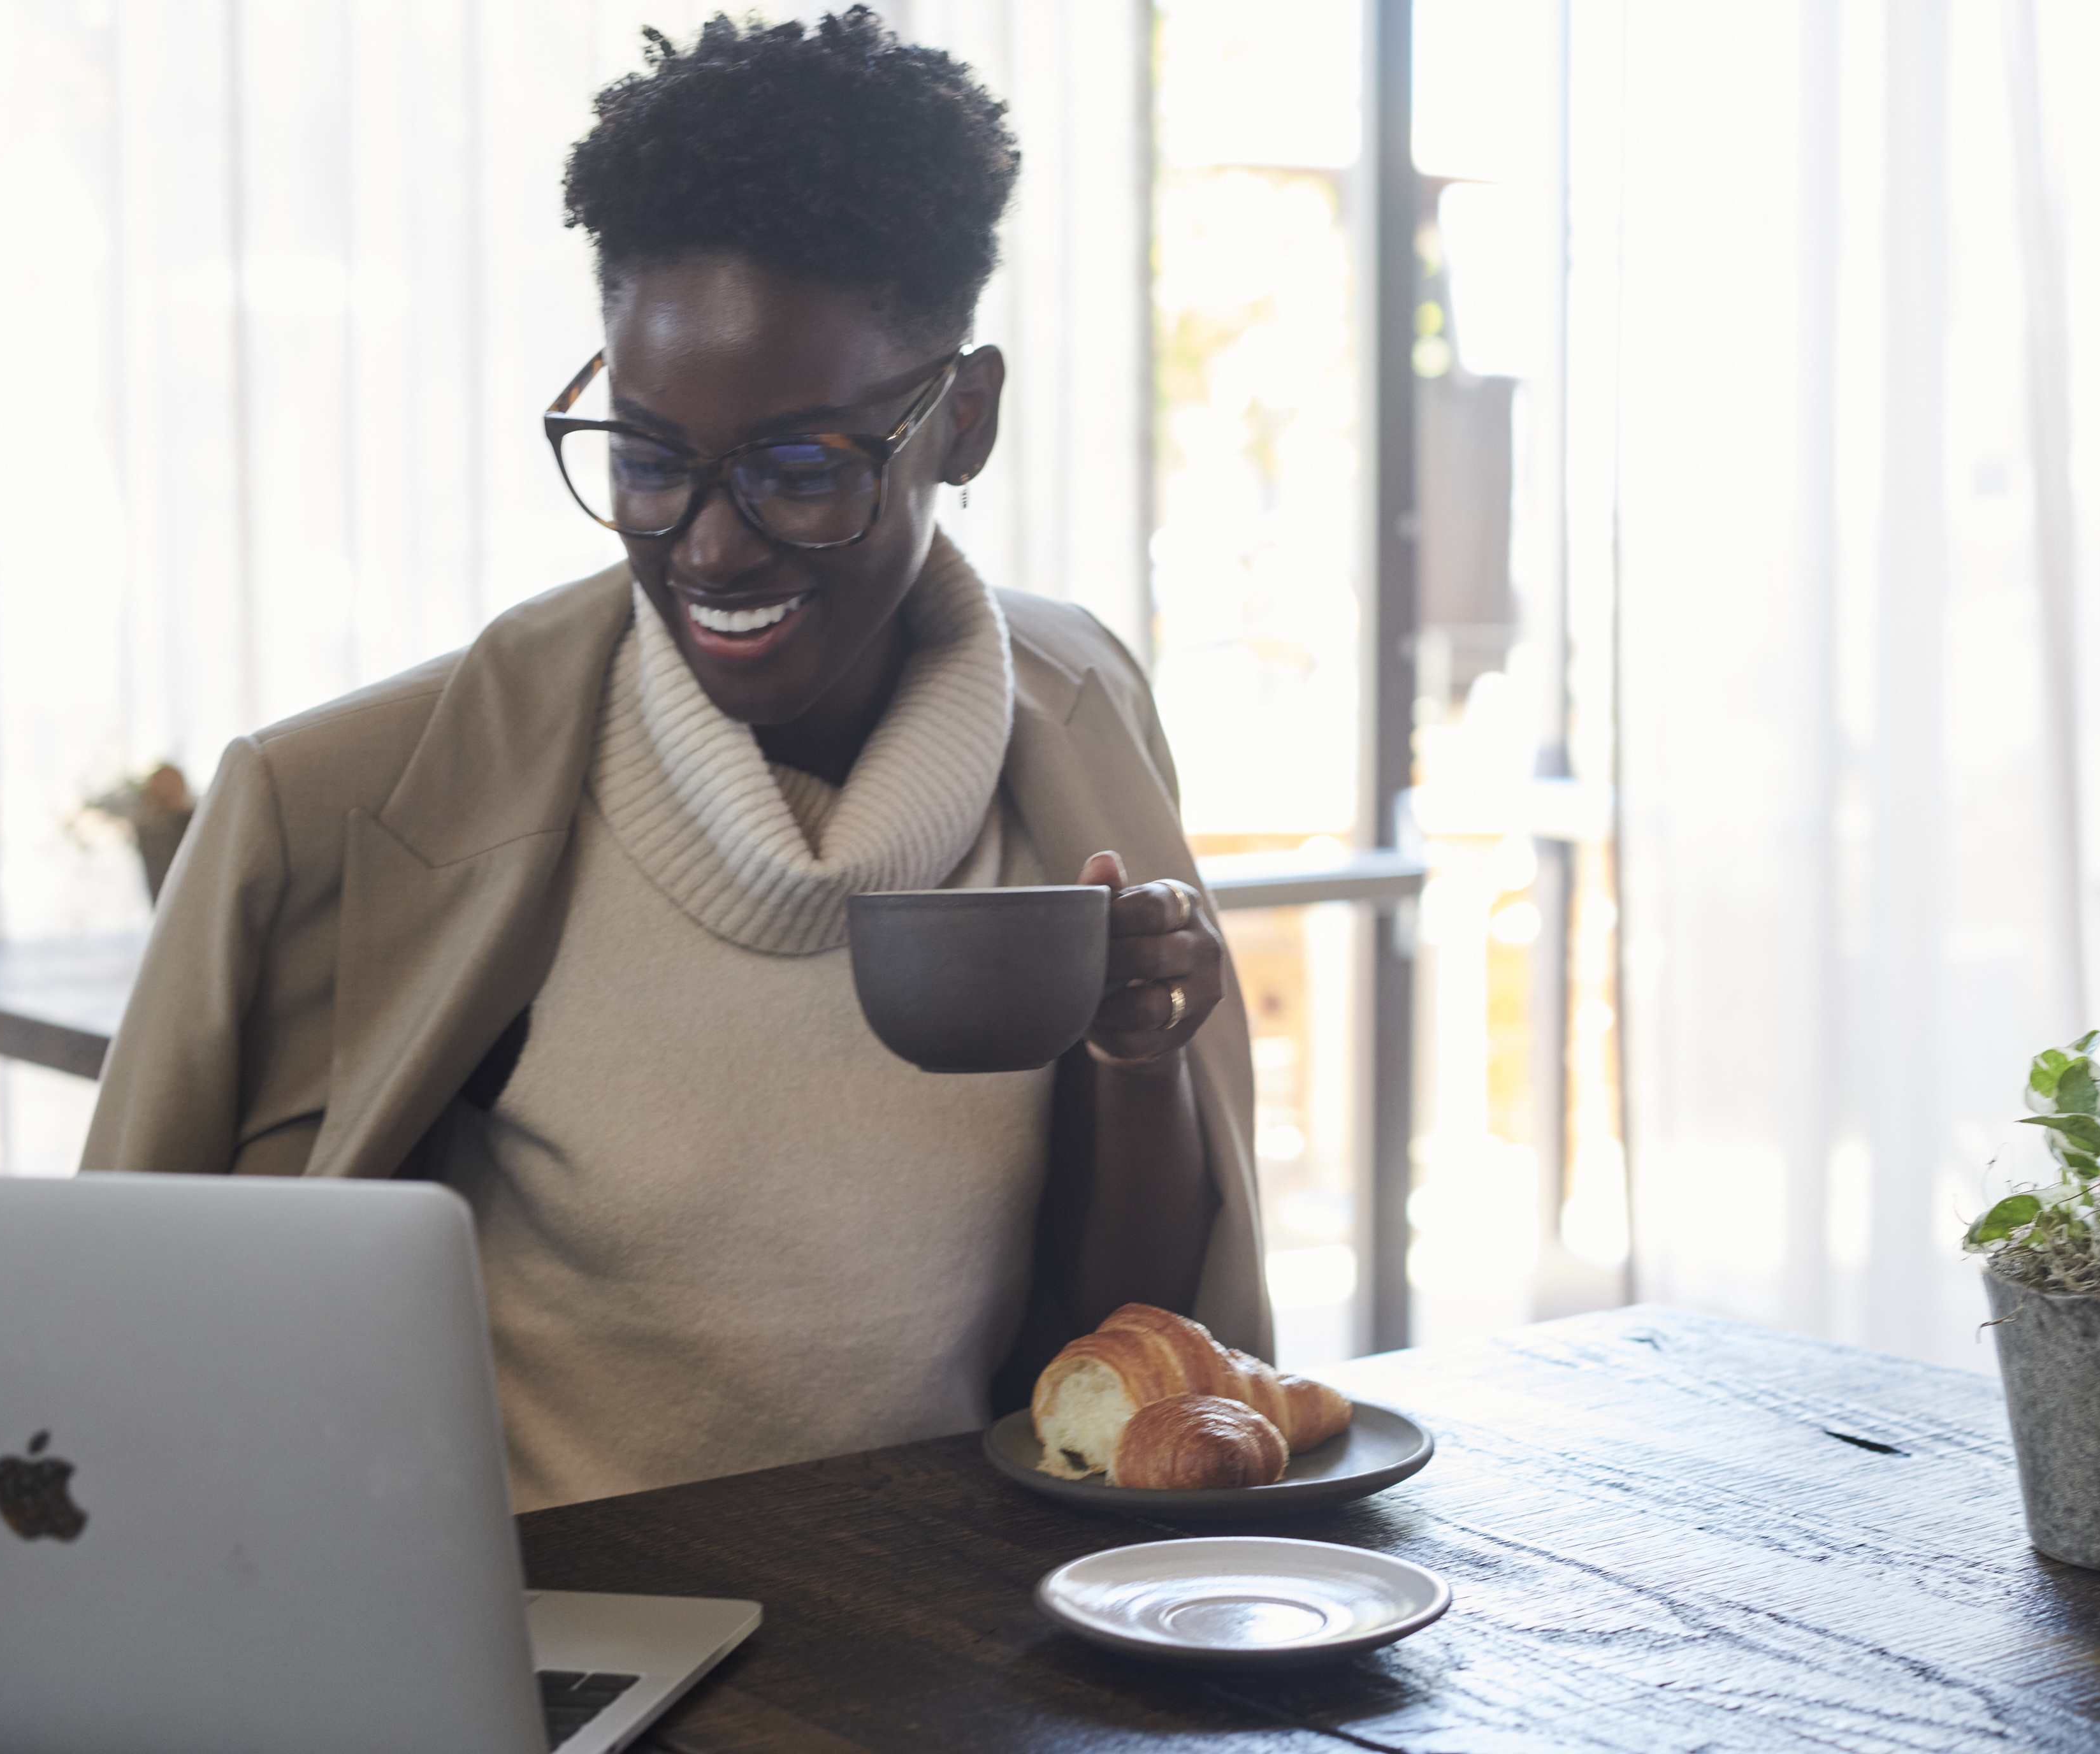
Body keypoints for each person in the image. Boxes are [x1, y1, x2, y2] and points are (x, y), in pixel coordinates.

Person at [81, 8, 1264, 1512]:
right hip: (543, 1666)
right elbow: (115, 1390)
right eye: (646, 456)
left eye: (797, 469)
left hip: (949, 1662)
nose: (707, 546)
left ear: (960, 419)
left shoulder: (1084, 718)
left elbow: (1108, 1387)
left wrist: (1139, 1064)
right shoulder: (352, 805)